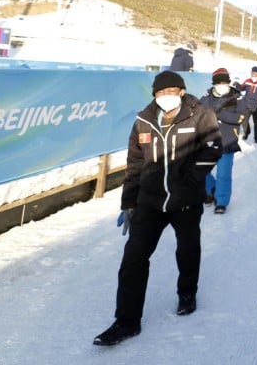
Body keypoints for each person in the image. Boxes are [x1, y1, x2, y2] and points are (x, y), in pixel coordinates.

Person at [94, 70, 222, 346]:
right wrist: (128, 203)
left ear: (181, 91)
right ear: (154, 95)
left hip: (185, 200)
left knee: (187, 248)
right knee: (133, 259)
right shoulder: (143, 121)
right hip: (149, 202)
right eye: (161, 93)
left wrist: (189, 180)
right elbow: (135, 165)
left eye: (171, 91)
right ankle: (127, 322)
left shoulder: (199, 114)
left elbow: (212, 150)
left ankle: (187, 292)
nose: (166, 97)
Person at [199, 68, 245, 214]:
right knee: (200, 170)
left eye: (224, 83)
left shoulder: (237, 98)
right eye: (219, 83)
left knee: (223, 174)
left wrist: (220, 115)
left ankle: (221, 201)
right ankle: (211, 189)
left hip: (228, 142)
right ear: (214, 84)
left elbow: (241, 117)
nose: (222, 85)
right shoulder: (205, 98)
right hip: (208, 142)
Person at [238, 65, 257, 143]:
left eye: (255, 75)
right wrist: (237, 85)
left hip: (256, 106)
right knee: (244, 121)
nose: (254, 76)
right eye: (252, 75)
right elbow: (241, 88)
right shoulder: (247, 81)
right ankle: (246, 132)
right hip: (246, 104)